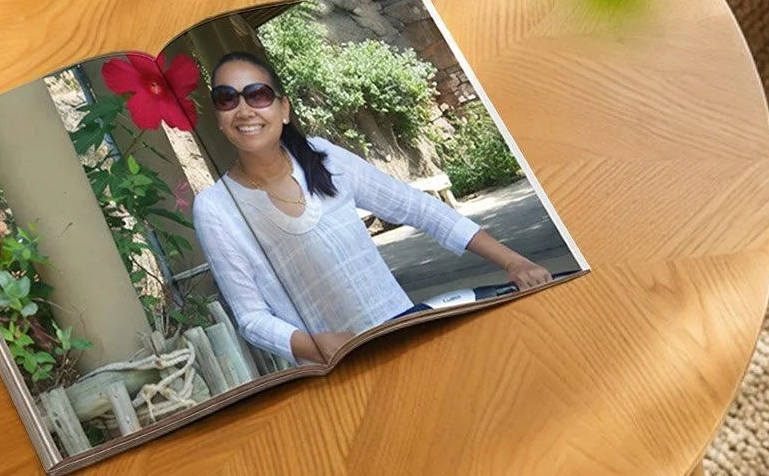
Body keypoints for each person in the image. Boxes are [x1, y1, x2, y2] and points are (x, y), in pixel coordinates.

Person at [191, 52, 551, 365]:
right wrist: (315, 345)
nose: (244, 110)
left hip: (407, 328)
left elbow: (419, 209)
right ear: (219, 119)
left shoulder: (324, 157)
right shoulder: (216, 208)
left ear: (283, 109)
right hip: (336, 368)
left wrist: (514, 261)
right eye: (227, 99)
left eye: (257, 94)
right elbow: (251, 316)